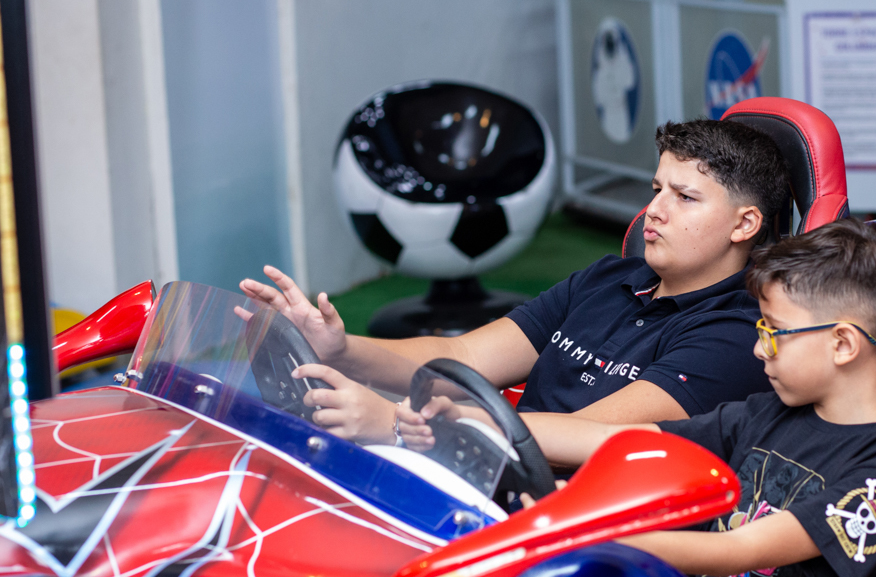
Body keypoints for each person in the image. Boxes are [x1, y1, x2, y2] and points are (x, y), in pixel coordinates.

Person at [458, 218, 876, 577]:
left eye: (775, 333)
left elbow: (737, 550)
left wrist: (585, 534)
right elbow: (611, 439)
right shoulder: (765, 414)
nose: (759, 349)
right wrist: (480, 421)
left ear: (842, 343)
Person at [242, 118, 790, 442]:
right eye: (656, 189)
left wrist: (401, 425)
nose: (654, 210)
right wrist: (339, 349)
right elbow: (459, 358)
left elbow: (593, 436)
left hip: (582, 526)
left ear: (745, 224)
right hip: (492, 477)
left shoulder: (739, 330)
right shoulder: (609, 278)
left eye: (685, 197)